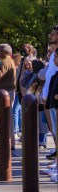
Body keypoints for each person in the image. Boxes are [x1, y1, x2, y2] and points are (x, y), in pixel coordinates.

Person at [41, 25, 58, 161]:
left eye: (53, 34)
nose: (50, 36)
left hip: (55, 98)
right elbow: (49, 75)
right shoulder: (53, 54)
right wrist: (44, 95)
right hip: (49, 98)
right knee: (54, 131)